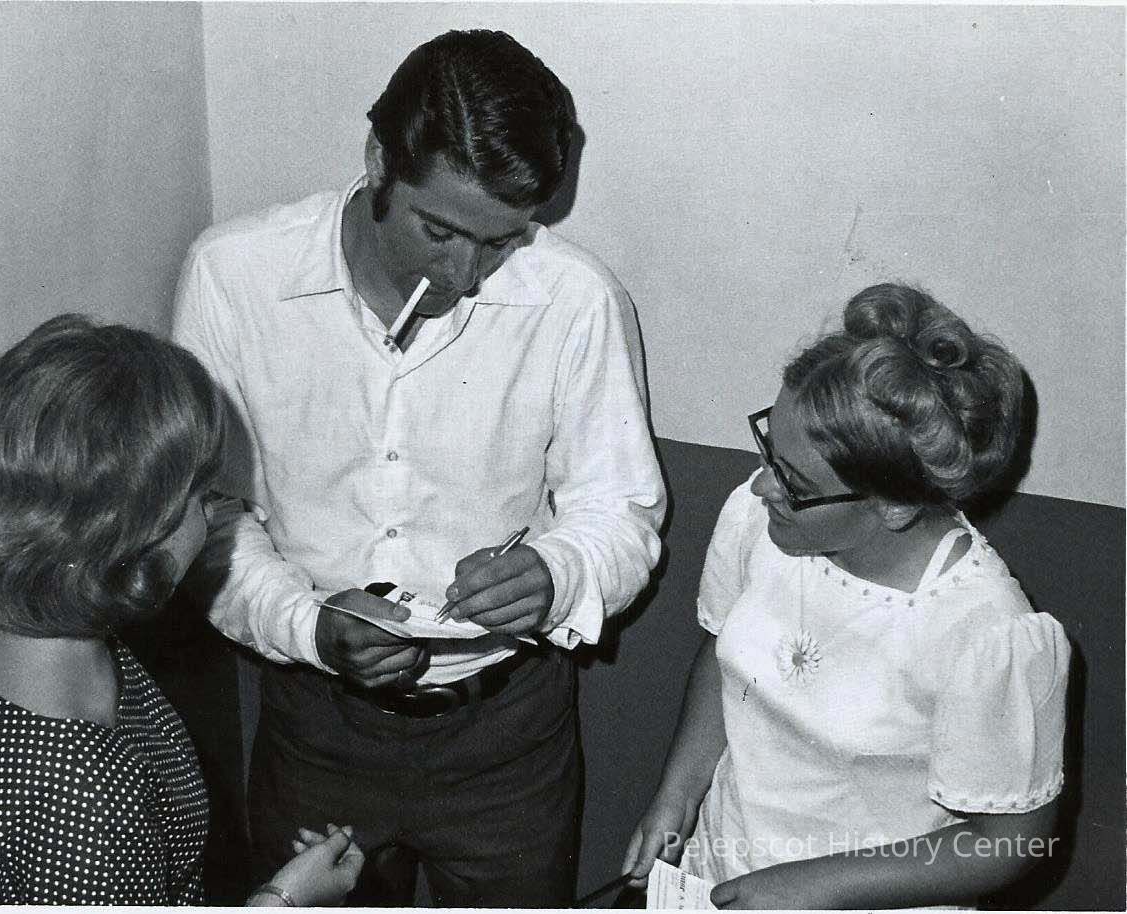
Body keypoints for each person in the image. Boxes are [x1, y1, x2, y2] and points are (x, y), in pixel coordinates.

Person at [173, 29, 665, 907]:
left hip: (509, 737)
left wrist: (558, 573)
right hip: (314, 730)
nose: (464, 274)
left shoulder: (576, 298)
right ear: (377, 161)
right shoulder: (232, 274)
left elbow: (622, 511)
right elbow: (207, 516)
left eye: (502, 242)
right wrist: (308, 626)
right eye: (438, 230)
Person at [623, 284, 1070, 908]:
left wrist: (812, 887)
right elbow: (725, 661)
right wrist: (678, 794)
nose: (762, 486)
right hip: (725, 869)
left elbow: (1011, 842)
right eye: (770, 452)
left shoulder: (985, 632)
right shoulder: (762, 522)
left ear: (894, 505)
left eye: (794, 481)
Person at [0, 315, 364, 905]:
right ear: (133, 533)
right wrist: (284, 899)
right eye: (202, 497)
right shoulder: (86, 806)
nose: (214, 515)